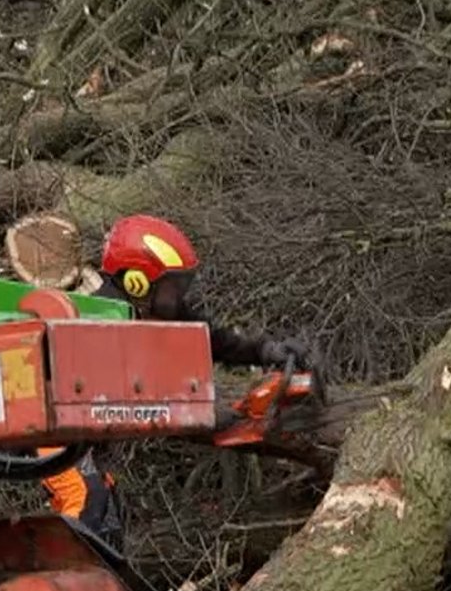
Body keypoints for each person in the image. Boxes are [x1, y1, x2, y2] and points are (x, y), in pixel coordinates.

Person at [39, 214, 313, 551]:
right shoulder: (102, 317)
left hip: (86, 438)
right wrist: (206, 413)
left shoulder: (158, 309)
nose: (177, 298)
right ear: (136, 281)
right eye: (172, 287)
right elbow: (145, 390)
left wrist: (265, 350)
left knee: (109, 515)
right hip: (49, 429)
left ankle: (101, 590)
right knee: (86, 500)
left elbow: (211, 338)